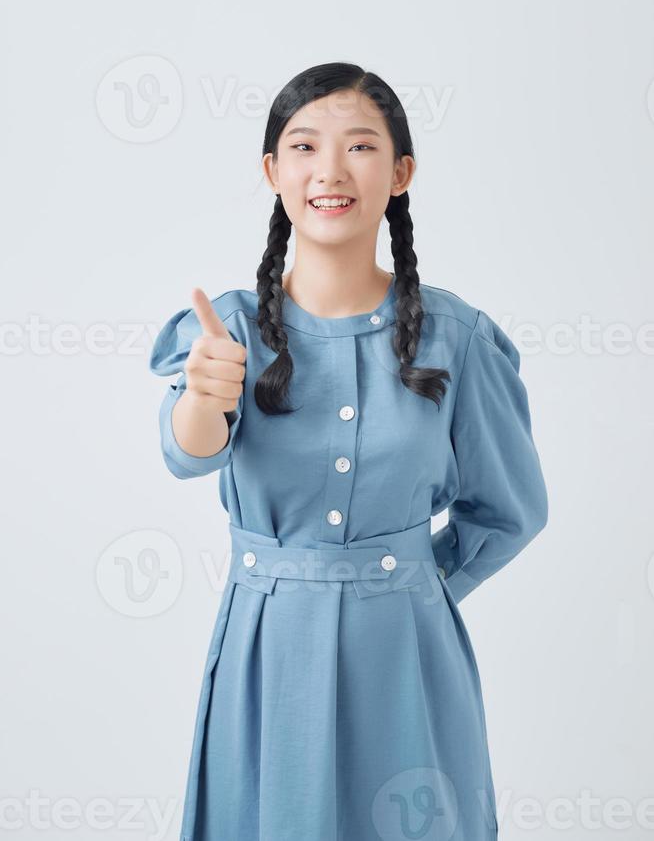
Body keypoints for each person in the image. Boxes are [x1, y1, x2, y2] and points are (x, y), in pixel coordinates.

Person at [149, 62, 549, 841]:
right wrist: (204, 393)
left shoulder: (457, 337)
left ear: (401, 172)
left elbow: (512, 510)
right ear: (273, 171)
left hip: (406, 655)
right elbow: (185, 455)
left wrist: (410, 583)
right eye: (303, 147)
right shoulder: (226, 329)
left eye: (360, 147)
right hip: (270, 649)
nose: (329, 171)